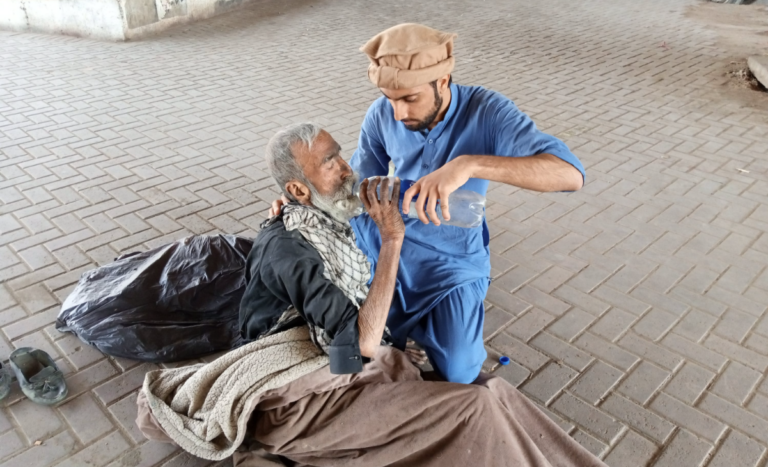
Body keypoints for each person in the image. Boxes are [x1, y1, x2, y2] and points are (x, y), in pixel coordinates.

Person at [136, 123, 607, 467]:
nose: (347, 168)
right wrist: (393, 240)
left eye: (340, 154)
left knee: (491, 392)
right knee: (472, 408)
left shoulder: (324, 213)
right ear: (299, 188)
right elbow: (354, 352)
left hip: (333, 363)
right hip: (296, 398)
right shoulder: (293, 250)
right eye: (329, 163)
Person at [270, 24, 586, 384]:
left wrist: (468, 165)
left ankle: (427, 330)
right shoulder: (381, 114)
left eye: (409, 99)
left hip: (452, 258)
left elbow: (570, 175)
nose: (398, 113)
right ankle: (401, 332)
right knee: (350, 312)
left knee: (459, 369)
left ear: (443, 81)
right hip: (389, 237)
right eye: (390, 98)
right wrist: (305, 198)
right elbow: (354, 186)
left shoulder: (488, 112)